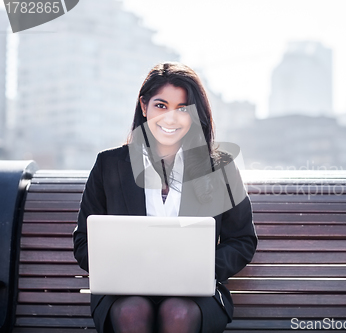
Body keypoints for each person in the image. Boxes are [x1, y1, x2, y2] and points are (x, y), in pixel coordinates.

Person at [73, 62, 258, 333]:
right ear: (144, 106)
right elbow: (83, 242)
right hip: (124, 291)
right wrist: (120, 268)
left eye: (182, 109)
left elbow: (242, 239)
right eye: (161, 105)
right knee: (131, 311)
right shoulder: (110, 164)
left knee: (178, 312)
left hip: (196, 294)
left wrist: (200, 270)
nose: (170, 118)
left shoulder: (219, 168)